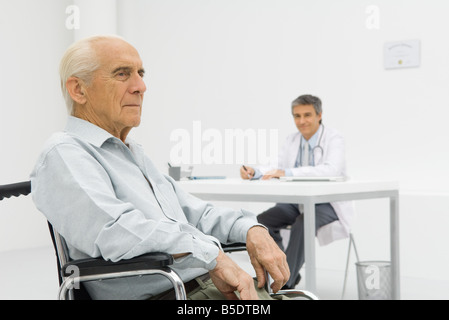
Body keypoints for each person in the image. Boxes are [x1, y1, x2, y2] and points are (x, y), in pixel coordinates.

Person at [30, 35, 289, 300]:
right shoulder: (64, 152)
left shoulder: (131, 152)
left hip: (205, 287)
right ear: (78, 90)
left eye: (140, 73)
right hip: (173, 293)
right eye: (122, 74)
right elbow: (116, 231)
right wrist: (213, 256)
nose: (141, 86)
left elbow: (195, 214)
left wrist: (251, 229)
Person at [240, 94, 355, 289]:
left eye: (307, 115)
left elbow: (331, 169)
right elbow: (276, 165)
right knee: (262, 222)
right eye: (297, 116)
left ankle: (285, 284)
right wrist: (256, 171)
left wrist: (287, 172)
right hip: (297, 202)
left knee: (304, 222)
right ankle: (284, 271)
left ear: (320, 115)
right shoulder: (292, 140)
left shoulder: (334, 138)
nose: (302, 121)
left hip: (327, 203)